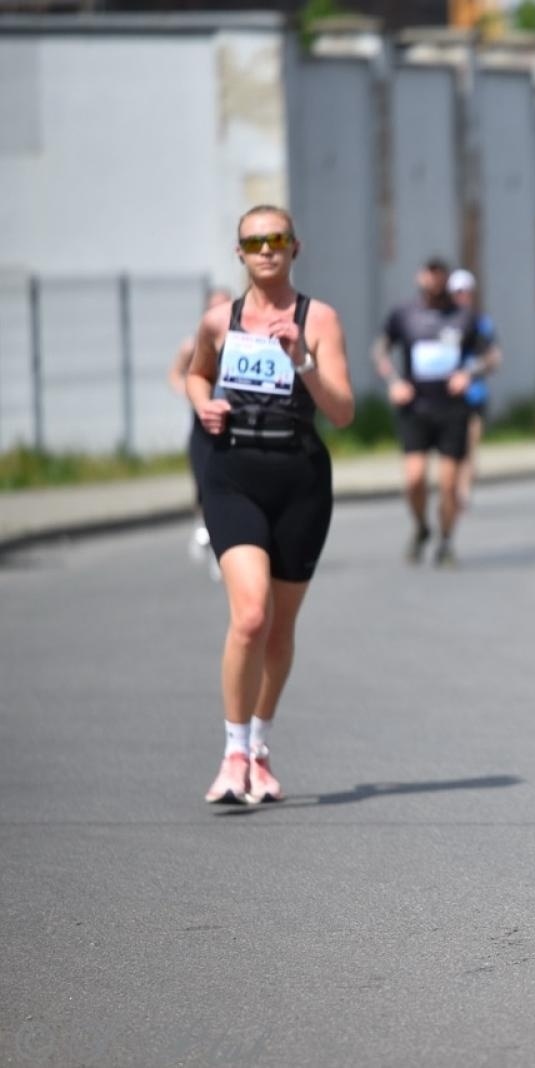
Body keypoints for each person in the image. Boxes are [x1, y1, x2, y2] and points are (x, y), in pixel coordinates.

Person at [186, 205, 354, 804]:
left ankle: (260, 745)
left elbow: (342, 411)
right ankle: (233, 753)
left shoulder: (319, 319)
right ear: (239, 253)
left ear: (294, 247)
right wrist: (202, 401)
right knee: (250, 615)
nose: (265, 249)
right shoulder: (219, 320)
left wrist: (302, 360)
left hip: (300, 480)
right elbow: (195, 374)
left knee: (280, 628)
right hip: (232, 474)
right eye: (254, 241)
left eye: (276, 239)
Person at [372, 257, 488, 567]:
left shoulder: (464, 317)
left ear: (447, 281)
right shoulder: (404, 314)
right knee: (414, 479)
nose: (434, 284)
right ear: (420, 278)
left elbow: (490, 355)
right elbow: (380, 350)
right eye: (429, 277)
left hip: (452, 410)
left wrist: (469, 373)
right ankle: (422, 527)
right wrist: (394, 381)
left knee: (449, 484)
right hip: (415, 407)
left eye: (440, 278)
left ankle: (446, 540)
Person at [168, 286, 233, 575]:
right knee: (203, 488)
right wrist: (195, 396)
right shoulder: (193, 344)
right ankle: (204, 529)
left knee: (227, 488)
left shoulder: (243, 341)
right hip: (203, 429)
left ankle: (222, 549)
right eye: (214, 307)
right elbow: (176, 375)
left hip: (232, 428)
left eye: (225, 305)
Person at [447, 268, 503, 511]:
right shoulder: (442, 321)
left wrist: (472, 370)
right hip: (445, 396)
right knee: (451, 447)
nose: (462, 297)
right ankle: (450, 487)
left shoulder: (481, 323)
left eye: (466, 292)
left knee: (470, 443)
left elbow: (494, 357)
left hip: (473, 393)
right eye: (457, 292)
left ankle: (463, 490)